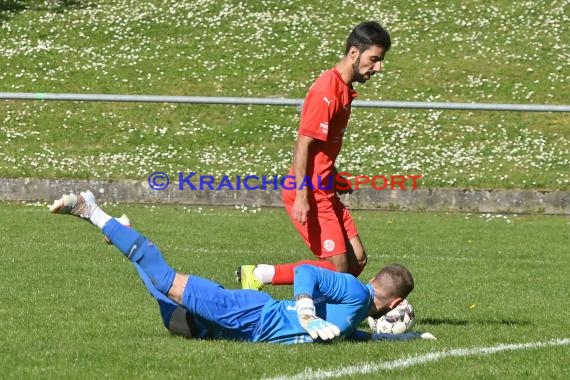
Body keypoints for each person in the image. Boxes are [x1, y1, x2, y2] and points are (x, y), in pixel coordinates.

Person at [49, 190, 435, 343]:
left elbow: (354, 336)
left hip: (242, 326)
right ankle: (91, 209)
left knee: (172, 314)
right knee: (166, 284)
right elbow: (308, 273)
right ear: (395, 301)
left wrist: (401, 339)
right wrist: (304, 309)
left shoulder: (351, 314)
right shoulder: (353, 291)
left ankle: (123, 232)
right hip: (250, 315)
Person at [237, 21, 391, 289]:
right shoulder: (326, 91)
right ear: (354, 53)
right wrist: (301, 195)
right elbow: (303, 144)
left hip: (325, 188)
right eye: (374, 59)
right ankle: (261, 276)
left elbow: (321, 149)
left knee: (357, 261)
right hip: (310, 192)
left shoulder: (343, 89)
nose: (378, 68)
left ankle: (321, 307)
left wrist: (335, 175)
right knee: (337, 268)